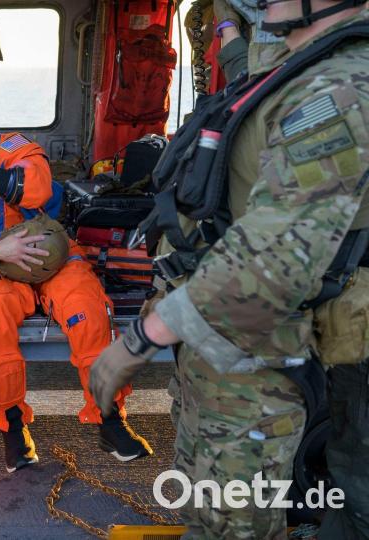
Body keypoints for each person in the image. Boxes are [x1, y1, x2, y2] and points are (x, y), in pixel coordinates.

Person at [90, 0, 369, 537]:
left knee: (233, 525)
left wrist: (138, 341)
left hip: (265, 338)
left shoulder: (339, 88)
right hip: (229, 340)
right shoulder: (295, 68)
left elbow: (274, 255)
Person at [0, 94, 153, 467]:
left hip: (49, 252)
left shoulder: (7, 147)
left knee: (86, 306)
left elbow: (38, 189)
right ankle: (13, 427)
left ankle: (110, 418)